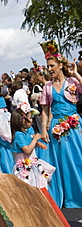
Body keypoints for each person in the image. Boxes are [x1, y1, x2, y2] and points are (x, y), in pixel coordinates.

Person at [39, 40, 82, 208]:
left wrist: (76, 73)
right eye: (47, 66)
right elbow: (44, 111)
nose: (49, 69)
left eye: (51, 65)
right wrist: (44, 129)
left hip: (75, 125)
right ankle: (69, 194)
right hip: (56, 128)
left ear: (60, 65)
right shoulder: (47, 87)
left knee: (78, 158)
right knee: (63, 161)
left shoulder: (72, 82)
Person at [11, 103, 55, 189]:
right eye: (30, 118)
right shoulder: (19, 135)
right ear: (23, 121)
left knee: (39, 185)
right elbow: (27, 150)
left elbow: (30, 139)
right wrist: (35, 139)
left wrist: (38, 143)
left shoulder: (27, 131)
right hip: (25, 168)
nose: (32, 120)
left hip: (33, 166)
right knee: (28, 188)